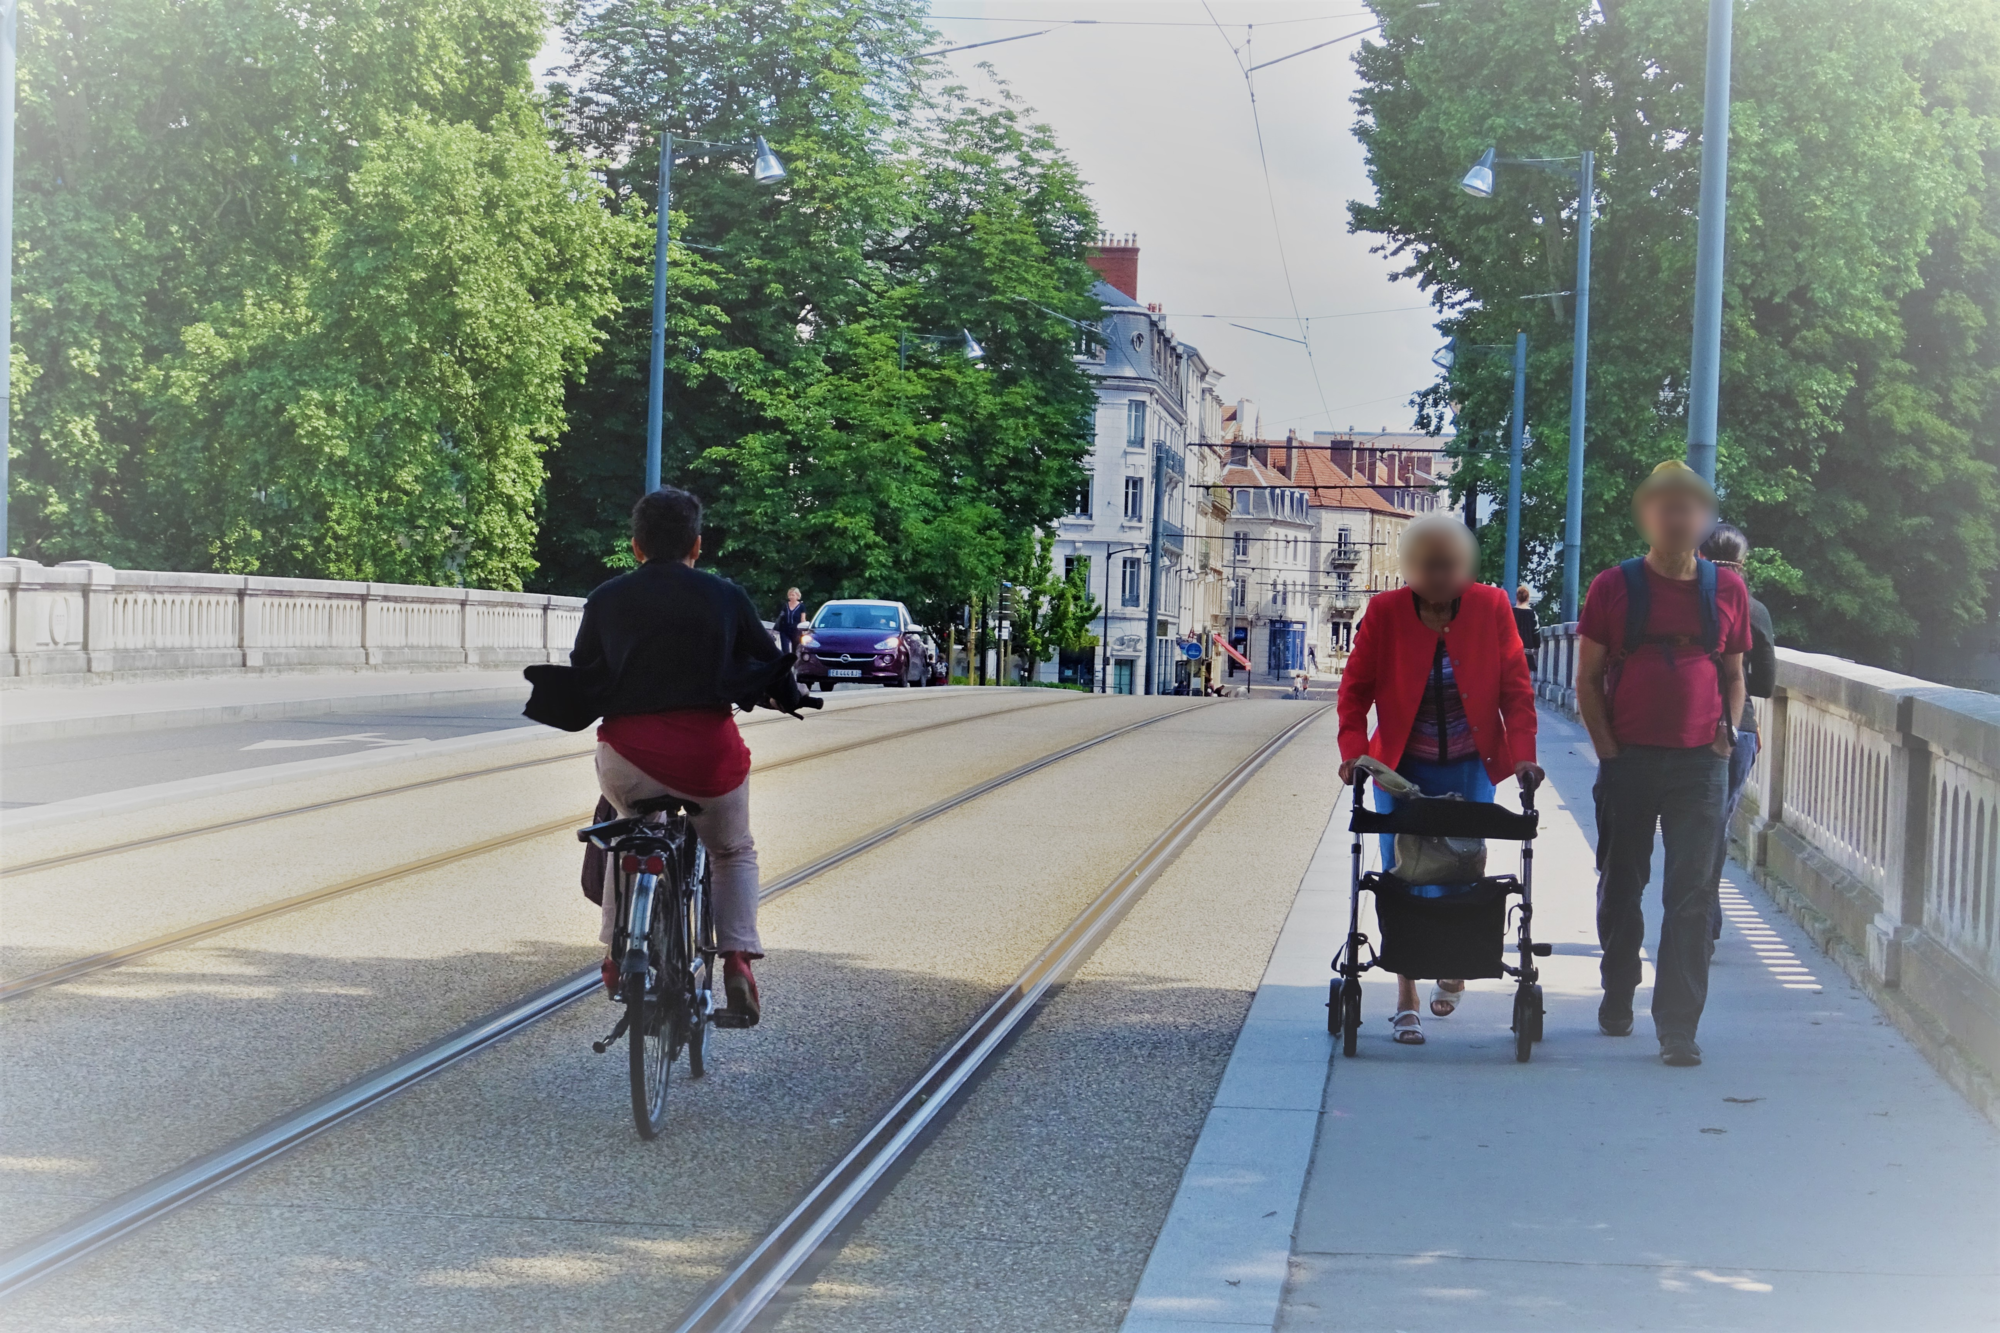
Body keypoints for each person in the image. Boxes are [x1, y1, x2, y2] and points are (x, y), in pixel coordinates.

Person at [538, 487, 803, 1028]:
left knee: (626, 835)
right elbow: (772, 665)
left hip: (628, 757)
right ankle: (736, 960)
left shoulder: (607, 598)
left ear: (636, 547)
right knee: (732, 850)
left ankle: (616, 955)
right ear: (696, 546)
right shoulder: (725, 596)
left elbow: (585, 670)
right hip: (708, 758)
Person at [1337, 514, 1543, 1046]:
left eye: (1449, 566)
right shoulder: (1384, 612)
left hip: (1472, 759)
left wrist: (1523, 757)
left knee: (1462, 864)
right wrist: (1354, 754)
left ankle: (1455, 960)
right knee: (1405, 874)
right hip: (1401, 765)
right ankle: (1405, 997)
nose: (1439, 577)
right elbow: (1355, 690)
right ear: (1410, 570)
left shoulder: (1493, 606)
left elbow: (1517, 691)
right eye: (1428, 567)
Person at [1576, 461, 1750, 1068]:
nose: (1678, 519)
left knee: (1693, 896)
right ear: (1648, 516)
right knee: (1623, 885)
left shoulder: (1728, 590)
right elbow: (1588, 680)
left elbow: (1735, 674)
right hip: (1630, 760)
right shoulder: (1612, 587)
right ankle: (1618, 990)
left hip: (1701, 762)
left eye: (1689, 508)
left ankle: (1679, 1027)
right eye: (1665, 507)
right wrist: (1609, 753)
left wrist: (1726, 736)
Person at [1699, 522, 1778, 952]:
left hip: (1689, 727)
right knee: (1718, 828)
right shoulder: (1756, 609)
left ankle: (1694, 918)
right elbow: (1764, 683)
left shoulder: (1687, 601)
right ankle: (1705, 923)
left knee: (1691, 829)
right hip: (1739, 728)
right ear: (1743, 562)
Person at [1513, 585, 1540, 670]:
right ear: (1528, 598)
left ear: (1516, 597)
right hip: (1527, 651)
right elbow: (1536, 631)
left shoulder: (1511, 612)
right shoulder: (1532, 614)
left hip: (1512, 650)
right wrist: (1536, 646)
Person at [775, 586, 807, 655]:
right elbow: (781, 616)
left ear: (797, 596)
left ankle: (794, 664)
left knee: (795, 650)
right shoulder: (785, 605)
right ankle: (785, 664)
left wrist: (804, 629)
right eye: (790, 595)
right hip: (784, 630)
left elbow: (803, 619)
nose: (791, 597)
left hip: (796, 631)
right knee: (785, 650)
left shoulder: (801, 606)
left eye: (793, 595)